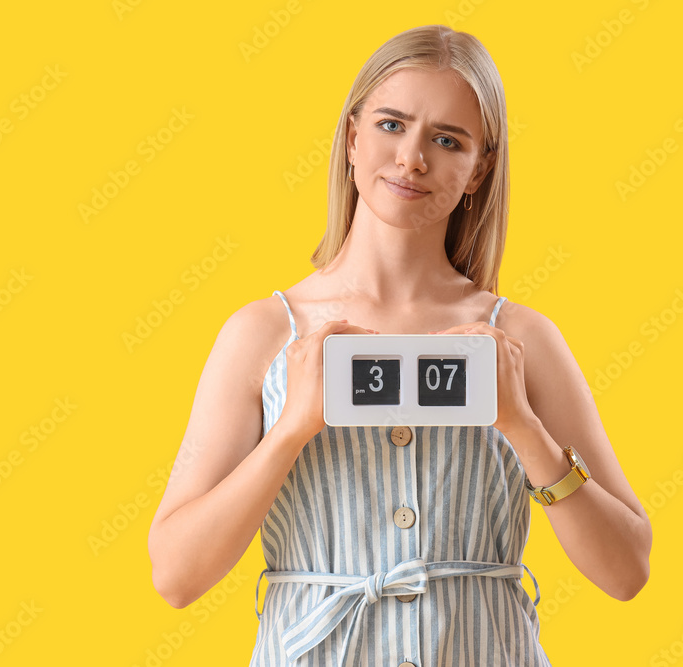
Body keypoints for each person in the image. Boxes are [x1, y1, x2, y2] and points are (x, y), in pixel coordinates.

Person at [147, 24, 652, 666]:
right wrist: (291, 430)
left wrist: (524, 429)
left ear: (479, 169)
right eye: (391, 125)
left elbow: (626, 570)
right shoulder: (263, 335)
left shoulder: (521, 341)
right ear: (352, 136)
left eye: (448, 141)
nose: (412, 158)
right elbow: (175, 576)